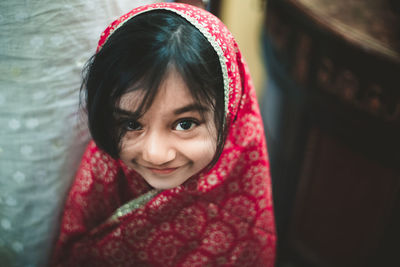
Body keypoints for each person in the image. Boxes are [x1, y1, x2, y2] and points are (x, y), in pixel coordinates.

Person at [51, 2, 276, 266]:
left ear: (231, 111)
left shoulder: (240, 217)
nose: (156, 154)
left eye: (185, 124)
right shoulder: (104, 173)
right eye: (132, 124)